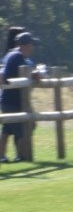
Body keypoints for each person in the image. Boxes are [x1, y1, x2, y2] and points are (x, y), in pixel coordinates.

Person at [1, 31, 41, 162]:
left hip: (10, 100)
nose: (32, 47)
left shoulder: (14, 55)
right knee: (25, 128)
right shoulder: (17, 56)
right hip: (13, 101)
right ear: (24, 45)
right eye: (30, 45)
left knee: (8, 130)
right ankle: (22, 156)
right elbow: (10, 76)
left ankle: (3, 156)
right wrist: (33, 75)